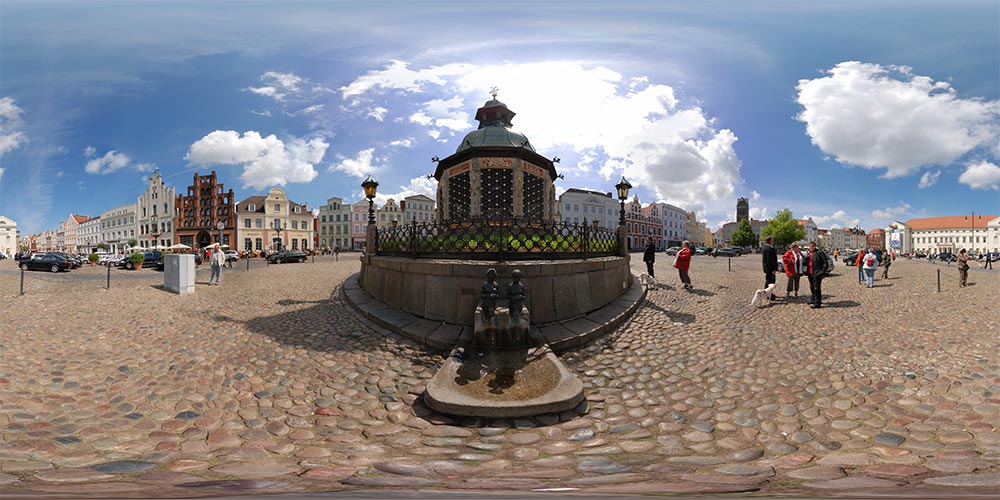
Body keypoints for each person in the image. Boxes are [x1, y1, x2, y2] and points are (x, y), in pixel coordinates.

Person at [805, 241, 826, 308]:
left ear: (814, 246)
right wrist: (806, 257)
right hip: (810, 273)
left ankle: (818, 303)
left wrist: (822, 272)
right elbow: (804, 263)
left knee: (817, 288)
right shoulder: (810, 253)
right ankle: (814, 299)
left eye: (812, 246)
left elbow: (825, 263)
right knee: (812, 287)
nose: (811, 248)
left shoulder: (819, 252)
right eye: (810, 246)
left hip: (817, 273)